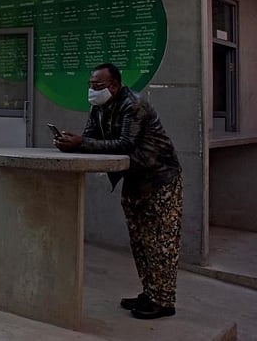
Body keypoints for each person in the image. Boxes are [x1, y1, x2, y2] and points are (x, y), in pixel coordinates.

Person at [53, 63, 183, 320]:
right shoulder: (99, 107)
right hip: (134, 179)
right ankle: (150, 293)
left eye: (98, 85)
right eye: (90, 84)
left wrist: (83, 142)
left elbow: (125, 144)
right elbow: (90, 138)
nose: (92, 89)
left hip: (160, 180)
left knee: (160, 242)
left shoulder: (133, 105)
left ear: (114, 85)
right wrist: (72, 144)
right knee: (140, 241)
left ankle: (165, 300)